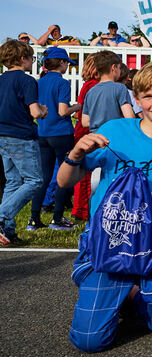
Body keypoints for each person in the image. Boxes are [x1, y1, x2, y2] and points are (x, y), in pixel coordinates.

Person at [57, 62, 152, 352]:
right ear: (136, 99)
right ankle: (119, 290)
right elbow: (64, 181)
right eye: (147, 96)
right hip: (111, 247)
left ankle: (132, 295)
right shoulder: (115, 131)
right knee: (89, 341)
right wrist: (76, 152)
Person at [28, 47, 80, 231]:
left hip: (43, 132)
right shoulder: (62, 83)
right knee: (64, 177)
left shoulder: (38, 82)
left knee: (44, 176)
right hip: (61, 133)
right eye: (67, 62)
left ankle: (33, 220)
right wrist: (78, 106)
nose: (68, 66)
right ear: (61, 63)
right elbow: (63, 111)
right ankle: (57, 219)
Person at [0, 40, 47, 245]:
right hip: (21, 136)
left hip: (2, 134)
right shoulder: (27, 81)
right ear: (22, 58)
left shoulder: (1, 79)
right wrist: (43, 110)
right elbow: (35, 111)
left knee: (12, 182)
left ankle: (7, 231)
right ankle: (2, 216)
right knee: (34, 181)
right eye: (31, 58)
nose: (32, 62)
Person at [71, 53, 100, 221]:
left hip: (81, 129)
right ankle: (82, 210)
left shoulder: (88, 85)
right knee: (85, 174)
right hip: (87, 131)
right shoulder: (94, 85)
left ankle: (80, 208)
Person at [82, 50, 135, 132]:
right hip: (115, 135)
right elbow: (130, 117)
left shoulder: (90, 92)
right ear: (113, 67)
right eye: (119, 67)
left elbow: (85, 122)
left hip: (96, 137)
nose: (120, 71)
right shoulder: (120, 88)